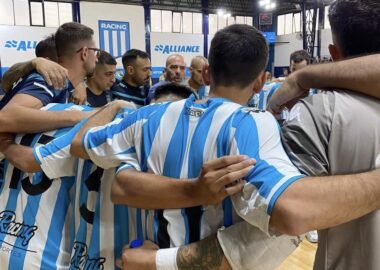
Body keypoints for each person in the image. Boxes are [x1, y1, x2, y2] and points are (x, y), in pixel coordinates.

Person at [68, 24, 380, 270]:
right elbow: (291, 212)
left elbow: (80, 143)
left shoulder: (147, 116)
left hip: (151, 256)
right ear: (260, 82)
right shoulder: (254, 125)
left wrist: (113, 107)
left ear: (206, 73)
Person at [0, 22, 97, 133]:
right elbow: (5, 118)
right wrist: (78, 116)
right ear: (84, 53)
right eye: (95, 52)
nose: (96, 59)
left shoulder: (66, 84)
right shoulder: (51, 80)